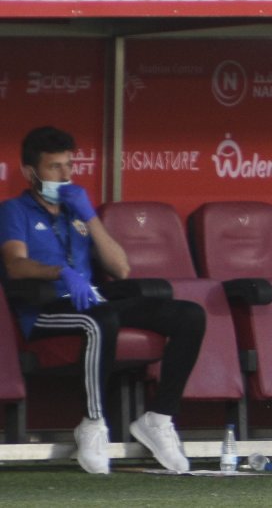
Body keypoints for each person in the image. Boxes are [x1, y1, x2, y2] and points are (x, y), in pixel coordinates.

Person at [0, 126, 206, 474]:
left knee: (189, 315)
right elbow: (15, 265)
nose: (65, 176)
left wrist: (89, 215)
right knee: (101, 319)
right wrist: (61, 273)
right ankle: (92, 424)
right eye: (54, 168)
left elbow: (121, 268)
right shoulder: (13, 210)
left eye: (69, 166)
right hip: (45, 308)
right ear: (30, 172)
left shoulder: (76, 211)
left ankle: (159, 417)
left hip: (95, 301)